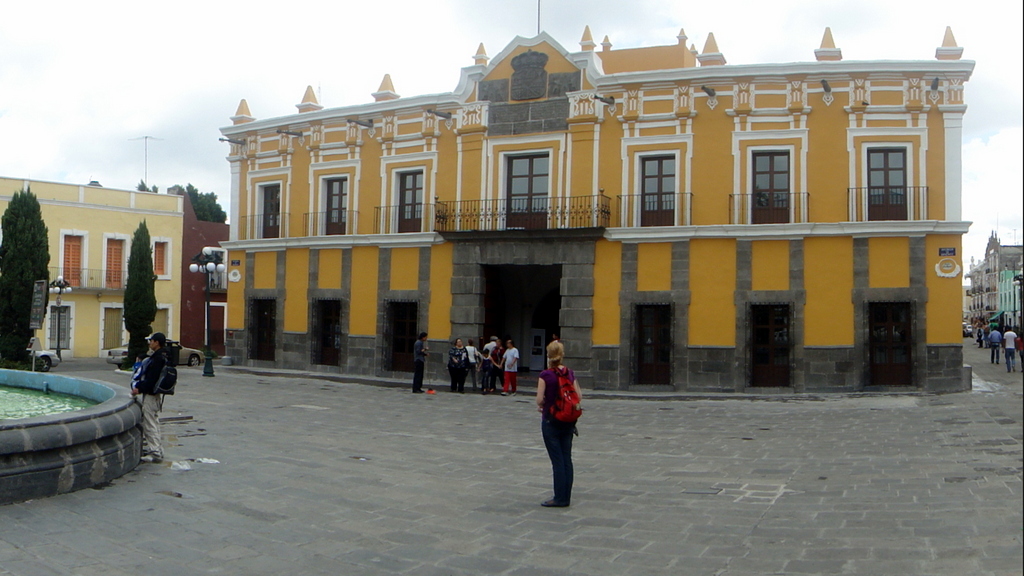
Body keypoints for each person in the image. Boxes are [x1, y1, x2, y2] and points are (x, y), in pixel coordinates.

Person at [535, 339, 582, 508]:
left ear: (548, 355)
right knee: (566, 458)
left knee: (557, 460)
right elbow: (579, 396)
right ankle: (566, 496)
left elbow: (539, 399)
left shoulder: (546, 375)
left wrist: (543, 406)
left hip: (551, 420)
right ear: (562, 355)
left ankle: (559, 498)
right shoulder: (569, 373)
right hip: (568, 421)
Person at [131, 333, 169, 463]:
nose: (150, 343)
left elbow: (151, 379)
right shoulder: (164, 356)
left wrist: (139, 388)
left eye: (151, 341)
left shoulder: (157, 358)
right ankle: (158, 449)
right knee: (155, 422)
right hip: (157, 395)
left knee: (150, 424)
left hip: (151, 395)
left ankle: (155, 453)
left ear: (157, 342)